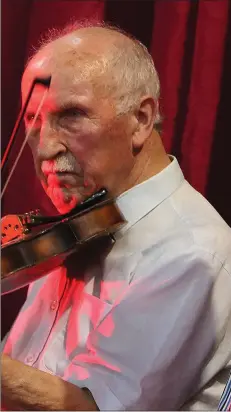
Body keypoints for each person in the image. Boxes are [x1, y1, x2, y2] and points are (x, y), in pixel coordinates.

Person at [1, 22, 231, 411]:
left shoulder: (193, 254)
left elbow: (98, 407)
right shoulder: (74, 226)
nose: (45, 148)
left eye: (71, 115)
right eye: (34, 122)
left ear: (142, 119)